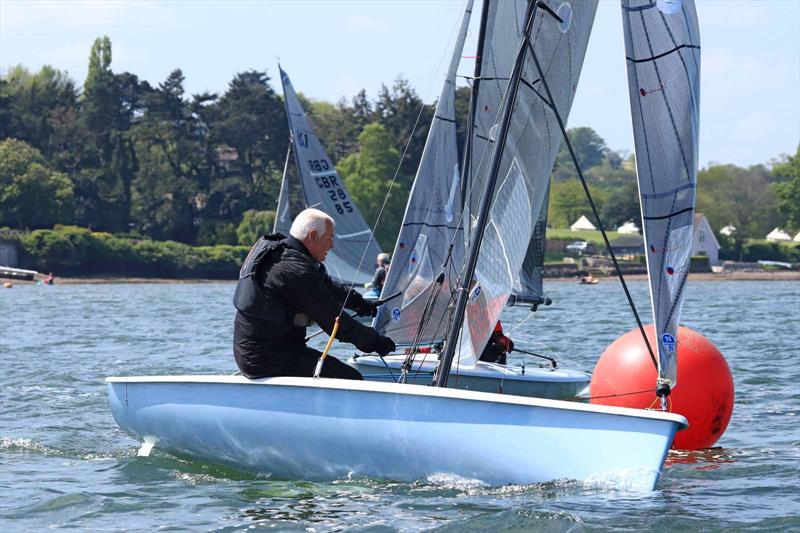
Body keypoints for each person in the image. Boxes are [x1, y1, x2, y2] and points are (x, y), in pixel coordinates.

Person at [233, 208, 396, 380]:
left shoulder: (285, 253)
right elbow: (335, 323)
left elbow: (330, 288)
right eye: (329, 238)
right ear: (312, 236)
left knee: (337, 370)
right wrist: (376, 342)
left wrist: (361, 304)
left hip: (266, 351)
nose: (332, 245)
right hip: (265, 359)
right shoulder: (294, 270)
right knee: (350, 378)